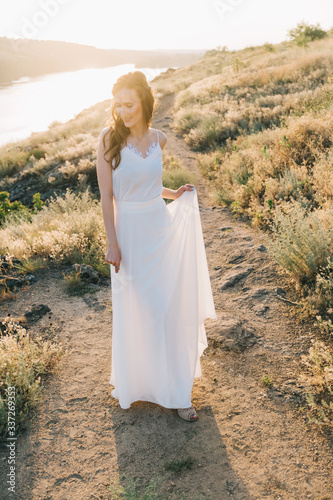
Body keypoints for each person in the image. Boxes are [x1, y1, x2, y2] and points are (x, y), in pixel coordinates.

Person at [96, 71, 217, 422]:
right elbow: (108, 196)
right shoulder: (109, 139)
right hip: (129, 235)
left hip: (158, 228)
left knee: (168, 308)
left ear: (145, 103)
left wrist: (173, 194)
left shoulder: (159, 139)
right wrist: (112, 243)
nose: (123, 111)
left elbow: (152, 184)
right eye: (118, 105)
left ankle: (178, 392)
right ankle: (139, 383)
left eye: (129, 104)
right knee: (140, 309)